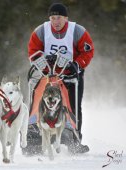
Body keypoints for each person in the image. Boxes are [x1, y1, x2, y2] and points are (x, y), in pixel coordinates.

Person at [27, 3, 94, 154]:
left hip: (70, 74)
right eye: (52, 18)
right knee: (39, 99)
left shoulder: (77, 31)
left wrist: (77, 65)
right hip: (47, 74)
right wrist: (44, 62)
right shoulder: (41, 31)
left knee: (74, 105)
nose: (56, 21)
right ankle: (33, 131)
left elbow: (88, 50)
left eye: (59, 18)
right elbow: (32, 51)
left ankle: (75, 138)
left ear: (66, 18)